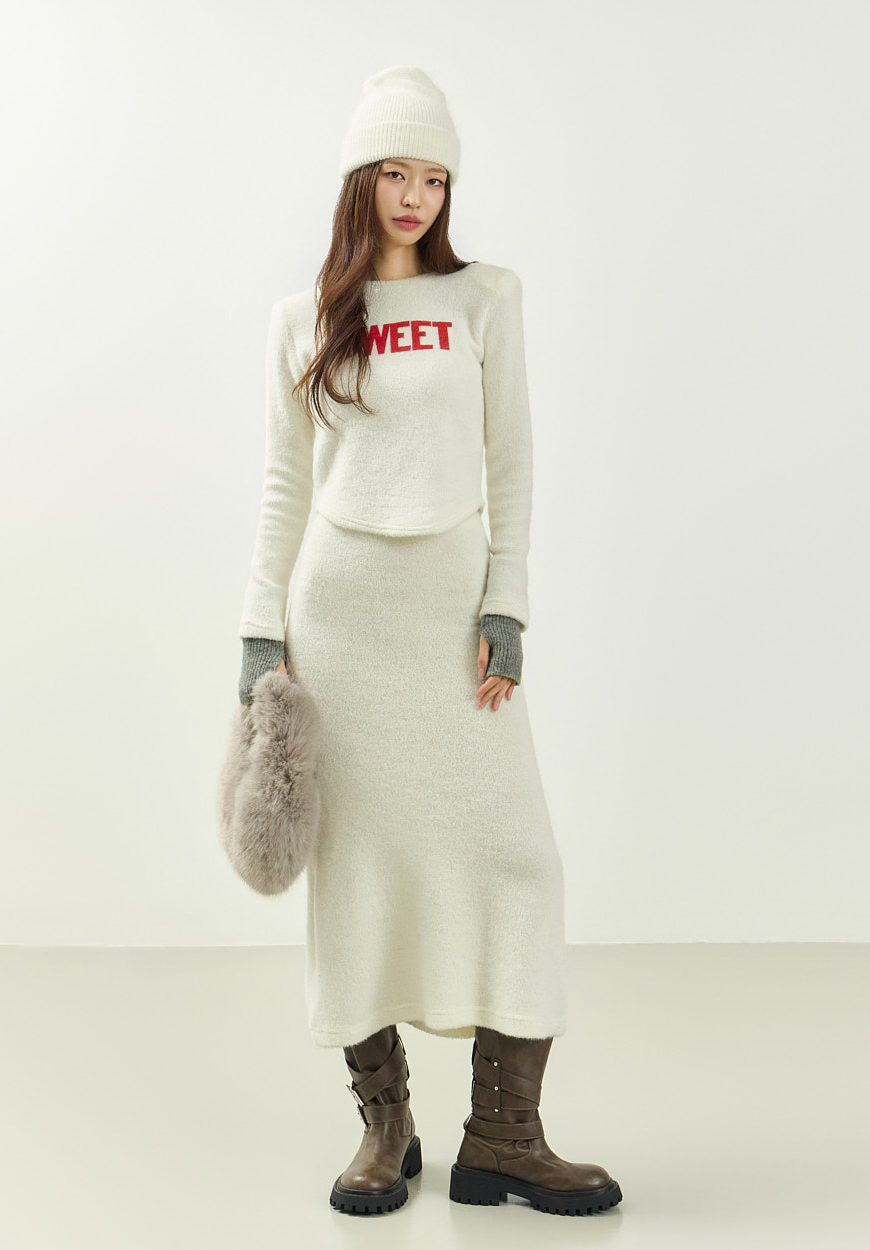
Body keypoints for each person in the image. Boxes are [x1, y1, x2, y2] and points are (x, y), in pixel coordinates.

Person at [237, 65, 622, 1219]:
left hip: (450, 620)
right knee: (358, 867)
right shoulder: (304, 317)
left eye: (435, 176)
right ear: (361, 180)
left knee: (517, 858)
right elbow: (281, 486)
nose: (415, 195)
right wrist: (258, 633)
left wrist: (506, 606)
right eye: (396, 172)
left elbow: (513, 462)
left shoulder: (486, 297)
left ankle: (503, 1135)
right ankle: (384, 1123)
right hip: (340, 619)